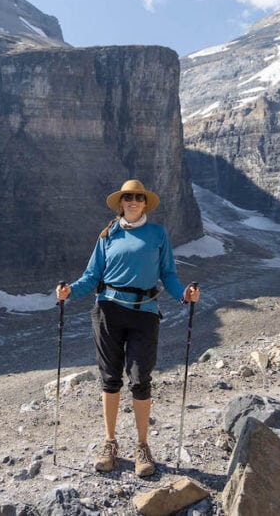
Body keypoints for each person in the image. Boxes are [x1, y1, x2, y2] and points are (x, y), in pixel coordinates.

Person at [56, 179, 199, 477]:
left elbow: (168, 275)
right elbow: (91, 276)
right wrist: (70, 291)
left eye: (138, 197)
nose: (133, 201)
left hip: (144, 314)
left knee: (140, 379)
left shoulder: (158, 234)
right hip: (107, 310)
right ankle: (110, 442)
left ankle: (142, 446)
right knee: (109, 378)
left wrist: (184, 294)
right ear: (121, 202)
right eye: (128, 197)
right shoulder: (108, 235)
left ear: (145, 202)